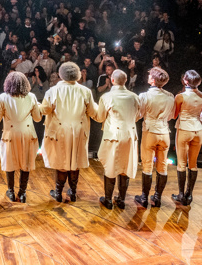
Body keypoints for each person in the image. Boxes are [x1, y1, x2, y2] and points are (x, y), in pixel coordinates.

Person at [40, 62, 95, 203]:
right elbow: (93, 112)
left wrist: (34, 104)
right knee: (74, 161)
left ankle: (58, 192)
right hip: (79, 131)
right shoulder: (85, 91)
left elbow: (45, 110)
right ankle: (73, 192)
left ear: (61, 74)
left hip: (59, 131)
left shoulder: (53, 91)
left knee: (61, 162)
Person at [0, 72, 42, 203]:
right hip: (27, 134)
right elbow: (37, 118)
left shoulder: (3, 97)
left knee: (10, 163)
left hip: (10, 134)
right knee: (26, 163)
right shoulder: (31, 97)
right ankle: (22, 193)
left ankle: (11, 191)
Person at [93, 69, 140, 209]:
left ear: (112, 80)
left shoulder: (107, 97)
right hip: (130, 135)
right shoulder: (134, 96)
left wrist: (93, 109)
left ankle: (108, 199)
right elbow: (137, 115)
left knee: (111, 166)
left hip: (114, 135)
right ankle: (121, 199)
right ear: (125, 81)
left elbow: (100, 117)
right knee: (125, 166)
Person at [135, 66, 174, 208]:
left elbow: (139, 115)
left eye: (150, 75)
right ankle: (157, 198)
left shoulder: (144, 95)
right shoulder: (170, 96)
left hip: (150, 132)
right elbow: (170, 116)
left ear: (153, 80)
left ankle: (144, 197)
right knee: (162, 166)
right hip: (164, 133)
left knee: (147, 165)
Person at [171, 70, 202, 206]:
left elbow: (174, 115)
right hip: (198, 130)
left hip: (184, 129)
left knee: (182, 163)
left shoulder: (180, 96)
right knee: (193, 164)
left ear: (185, 81)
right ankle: (189, 195)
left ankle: (181, 194)